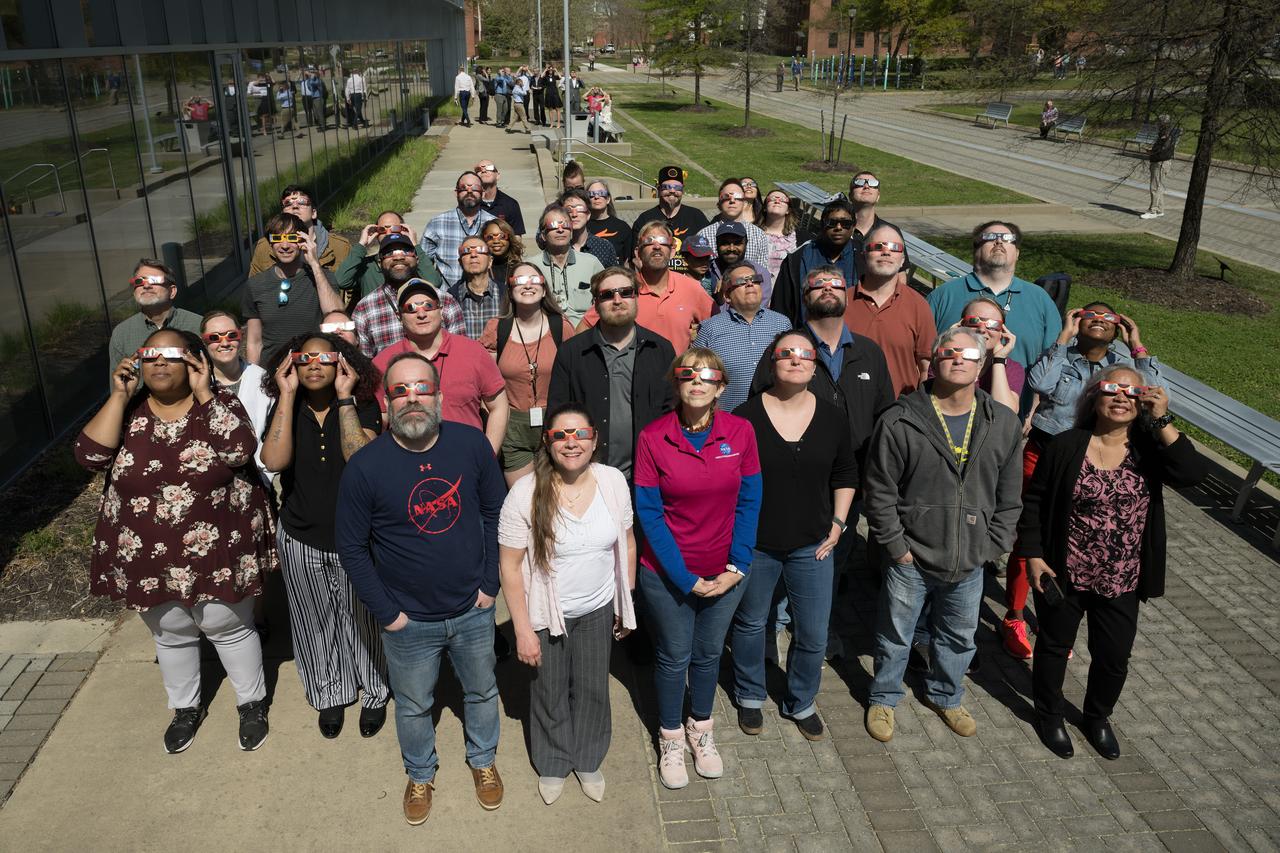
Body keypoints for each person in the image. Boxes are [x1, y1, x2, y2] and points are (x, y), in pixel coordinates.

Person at [76, 328, 276, 753]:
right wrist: (117, 395)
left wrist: (206, 393)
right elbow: (89, 456)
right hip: (146, 551)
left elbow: (240, 451)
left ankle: (251, 703)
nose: (160, 363)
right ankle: (185, 707)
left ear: (195, 363)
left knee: (227, 626)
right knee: (170, 632)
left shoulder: (218, 405)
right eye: (151, 355)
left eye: (172, 354)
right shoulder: (126, 412)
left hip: (218, 545)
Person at [335, 352, 508, 824]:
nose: (412, 398)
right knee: (413, 705)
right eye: (400, 391)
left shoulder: (471, 446)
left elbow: (497, 514)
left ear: (439, 395)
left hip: (473, 607)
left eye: (421, 388)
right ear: (386, 402)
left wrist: (490, 585)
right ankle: (419, 772)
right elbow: (351, 549)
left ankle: (483, 761)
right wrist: (388, 613)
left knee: (481, 690)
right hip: (408, 619)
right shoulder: (365, 467)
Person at [1019, 366, 1205, 760]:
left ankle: (1097, 717)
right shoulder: (1067, 445)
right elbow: (1034, 502)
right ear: (1095, 398)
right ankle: (1049, 715)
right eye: (1111, 389)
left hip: (1123, 577)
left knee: (1114, 657)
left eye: (1132, 393)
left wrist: (1163, 419)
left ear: (1143, 403)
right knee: (1053, 647)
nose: (1121, 397)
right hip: (1064, 570)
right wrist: (1033, 556)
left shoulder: (1149, 450)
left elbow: (1192, 474)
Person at [862, 328, 1023, 743]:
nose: (957, 358)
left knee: (958, 636)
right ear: (934, 361)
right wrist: (897, 548)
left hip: (970, 558)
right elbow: (879, 491)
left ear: (981, 365)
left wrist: (993, 545)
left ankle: (947, 696)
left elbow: (1010, 495)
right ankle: (884, 697)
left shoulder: (1001, 422)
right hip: (911, 556)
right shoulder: (900, 420)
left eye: (968, 353)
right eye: (948, 352)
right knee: (896, 634)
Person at [1002, 303, 1161, 659]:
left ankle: (1055, 616)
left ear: (1118, 327)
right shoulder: (1063, 356)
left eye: (1109, 319)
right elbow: (1039, 383)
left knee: (1075, 541)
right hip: (1046, 453)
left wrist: (1137, 347)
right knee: (1030, 537)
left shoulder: (1120, 368)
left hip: (1096, 458)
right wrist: (1062, 338)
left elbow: (1155, 396)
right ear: (1078, 320)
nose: (1099, 322)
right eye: (1092, 316)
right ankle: (1014, 614)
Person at [635, 348, 761, 789]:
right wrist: (686, 579)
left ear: (721, 386)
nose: (697, 381)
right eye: (687, 374)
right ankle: (670, 737)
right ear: (676, 383)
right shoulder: (653, 437)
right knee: (673, 657)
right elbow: (649, 514)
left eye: (707, 375)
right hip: (668, 575)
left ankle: (700, 730)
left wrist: (738, 566)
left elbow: (750, 501)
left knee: (708, 655)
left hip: (726, 571)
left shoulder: (741, 432)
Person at [498, 403, 636, 804]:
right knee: (549, 689)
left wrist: (624, 601)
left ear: (594, 439)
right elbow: (510, 566)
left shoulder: (612, 481)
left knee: (594, 687)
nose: (571, 442)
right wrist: (522, 629)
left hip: (596, 609)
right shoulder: (525, 493)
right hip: (545, 612)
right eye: (561, 435)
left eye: (580, 434)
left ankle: (589, 757)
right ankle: (554, 761)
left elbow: (625, 543)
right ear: (548, 441)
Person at [259, 332, 391, 739]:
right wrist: (284, 395)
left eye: (325, 357)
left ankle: (373, 692)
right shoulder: (286, 406)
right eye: (303, 358)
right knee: (314, 620)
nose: (314, 364)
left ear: (342, 363)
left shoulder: (363, 405)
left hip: (358, 536)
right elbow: (273, 460)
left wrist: (347, 397)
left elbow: (361, 457)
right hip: (301, 533)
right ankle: (329, 691)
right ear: (290, 364)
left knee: (364, 619)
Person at [731, 330, 856, 740]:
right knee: (751, 624)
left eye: (805, 353)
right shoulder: (745, 418)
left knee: (814, 630)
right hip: (758, 544)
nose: (796, 359)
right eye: (787, 353)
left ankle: (800, 699)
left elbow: (845, 475)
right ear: (772, 362)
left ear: (815, 365)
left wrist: (838, 524)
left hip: (814, 544)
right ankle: (750, 695)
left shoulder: (834, 415)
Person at [547, 267, 676, 482]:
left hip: (649, 475)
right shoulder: (571, 352)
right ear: (595, 304)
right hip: (587, 474)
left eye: (625, 292)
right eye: (607, 295)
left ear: (636, 297)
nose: (617, 300)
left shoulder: (661, 350)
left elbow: (672, 414)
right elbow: (556, 413)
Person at [372, 279, 509, 454]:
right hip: (407, 464)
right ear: (399, 316)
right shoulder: (383, 363)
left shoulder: (473, 352)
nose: (421, 314)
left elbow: (499, 406)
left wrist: (488, 455)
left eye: (428, 305)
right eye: (411, 308)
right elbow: (381, 420)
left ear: (441, 310)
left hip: (466, 458)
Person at [480, 261, 576, 485]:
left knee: (557, 495)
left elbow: (574, 377)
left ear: (544, 289)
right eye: (519, 281)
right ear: (510, 291)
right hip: (513, 425)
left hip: (554, 421)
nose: (527, 285)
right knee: (523, 499)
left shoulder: (561, 327)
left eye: (534, 280)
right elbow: (485, 382)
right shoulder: (497, 328)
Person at [926, 221, 1060, 380]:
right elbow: (923, 358)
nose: (999, 242)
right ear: (976, 250)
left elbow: (1053, 362)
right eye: (990, 237)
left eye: (1008, 238)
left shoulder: (1040, 299)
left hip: (1018, 403)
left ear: (1017, 253)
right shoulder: (943, 296)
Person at [578, 221, 714, 355]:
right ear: (638, 252)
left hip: (677, 374)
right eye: (649, 242)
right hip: (631, 374)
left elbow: (717, 326)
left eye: (663, 241)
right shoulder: (621, 290)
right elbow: (583, 330)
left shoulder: (691, 288)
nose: (656, 247)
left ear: (672, 251)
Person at [843, 224, 936, 396]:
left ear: (902, 260)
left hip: (901, 412)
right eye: (878, 247)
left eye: (895, 248)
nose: (886, 252)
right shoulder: (842, 303)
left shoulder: (918, 305)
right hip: (849, 408)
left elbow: (926, 368)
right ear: (864, 255)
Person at [242, 212, 345, 365]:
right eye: (277, 239)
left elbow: (336, 315)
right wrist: (252, 377)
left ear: (303, 240)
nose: (284, 246)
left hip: (313, 367)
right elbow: (254, 342)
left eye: (291, 238)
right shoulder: (255, 284)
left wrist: (315, 265)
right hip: (271, 372)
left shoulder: (322, 277)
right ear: (270, 243)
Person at [693, 262, 792, 412]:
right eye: (741, 281)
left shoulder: (782, 323)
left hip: (775, 417)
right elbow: (695, 374)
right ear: (727, 295)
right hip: (728, 420)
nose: (750, 284)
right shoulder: (710, 328)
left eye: (755, 279)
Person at [353, 233, 465, 357]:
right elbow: (365, 364)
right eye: (389, 253)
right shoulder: (364, 308)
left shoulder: (445, 301)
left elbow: (459, 354)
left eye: (405, 251)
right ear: (380, 263)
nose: (398, 257)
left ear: (417, 259)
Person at [200, 311, 271, 482]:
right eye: (214, 338)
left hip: (256, 478)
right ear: (204, 341)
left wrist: (266, 475)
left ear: (242, 337)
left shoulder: (262, 379)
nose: (224, 343)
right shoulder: (196, 384)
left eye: (232, 335)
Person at [107, 259, 203, 385]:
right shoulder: (122, 333)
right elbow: (117, 388)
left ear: (172, 291)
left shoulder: (198, 325)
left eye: (154, 280)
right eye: (139, 281)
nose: (146, 286)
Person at [771, 199, 860, 327]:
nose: (838, 227)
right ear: (822, 225)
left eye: (845, 223)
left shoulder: (864, 257)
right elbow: (781, 309)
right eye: (832, 223)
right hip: (806, 339)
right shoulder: (797, 258)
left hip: (853, 338)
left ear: (854, 226)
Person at [337, 212, 444, 303]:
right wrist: (361, 245)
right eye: (382, 230)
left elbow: (434, 283)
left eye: (395, 228)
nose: (388, 233)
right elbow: (341, 281)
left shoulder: (411, 262)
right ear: (376, 233)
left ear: (404, 230)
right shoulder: (367, 265)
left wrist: (415, 245)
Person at [249, 186, 352, 276]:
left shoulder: (340, 247)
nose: (294, 206)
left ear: (314, 213)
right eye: (288, 204)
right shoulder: (264, 246)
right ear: (282, 214)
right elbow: (254, 288)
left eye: (302, 202)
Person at [419, 171, 497, 286]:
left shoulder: (494, 224)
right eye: (464, 188)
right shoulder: (437, 224)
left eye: (475, 188)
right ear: (456, 193)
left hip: (486, 297)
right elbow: (423, 265)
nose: (469, 191)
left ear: (483, 193)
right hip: (447, 298)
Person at [536, 204, 604, 326]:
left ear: (571, 233)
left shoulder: (591, 263)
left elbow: (605, 300)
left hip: (585, 336)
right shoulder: (532, 267)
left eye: (566, 225)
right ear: (543, 235)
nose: (560, 230)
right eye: (554, 226)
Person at [952, 297, 1022, 414]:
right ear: (961, 326)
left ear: (1002, 331)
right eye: (974, 321)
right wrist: (952, 343)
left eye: (993, 324)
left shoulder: (1012, 368)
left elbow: (1006, 414)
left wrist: (999, 360)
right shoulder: (944, 359)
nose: (982, 329)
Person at [631, 166, 710, 263]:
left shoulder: (696, 217)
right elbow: (635, 257)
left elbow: (708, 252)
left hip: (689, 276)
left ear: (682, 190)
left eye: (677, 187)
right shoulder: (645, 219)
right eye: (666, 187)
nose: (672, 191)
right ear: (659, 189)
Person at [694, 180, 770, 274]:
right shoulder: (703, 235)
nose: (732, 200)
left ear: (744, 202)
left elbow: (762, 273)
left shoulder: (759, 235)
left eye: (737, 197)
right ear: (719, 202)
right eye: (726, 197)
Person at [450, 236, 505, 339]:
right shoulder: (451, 298)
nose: (473, 255)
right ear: (460, 263)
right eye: (466, 251)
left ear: (490, 261)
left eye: (480, 250)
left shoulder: (506, 295)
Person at [705, 221, 773, 304]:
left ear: (746, 244)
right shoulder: (705, 270)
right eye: (725, 243)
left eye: (737, 243)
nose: (731, 248)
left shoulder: (760, 273)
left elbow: (758, 311)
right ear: (716, 244)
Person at [560, 188, 619, 268]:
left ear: (588, 214)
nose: (574, 214)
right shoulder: (558, 246)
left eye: (579, 209)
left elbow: (613, 277)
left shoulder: (604, 247)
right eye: (569, 210)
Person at [1141, 115, 1178, 220]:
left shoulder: (1166, 133)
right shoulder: (1165, 132)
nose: (1157, 125)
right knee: (1159, 187)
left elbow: (1163, 149)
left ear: (1163, 123)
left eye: (1159, 123)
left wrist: (1152, 152)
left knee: (1155, 187)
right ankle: (1160, 210)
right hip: (1160, 161)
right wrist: (1152, 151)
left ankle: (1153, 210)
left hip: (1160, 163)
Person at [586, 180, 633, 263]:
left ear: (608, 199)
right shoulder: (582, 227)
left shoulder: (622, 227)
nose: (596, 197)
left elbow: (628, 260)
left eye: (601, 193)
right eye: (591, 194)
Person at [475, 159, 527, 235]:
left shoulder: (511, 204)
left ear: (498, 175)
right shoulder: (468, 204)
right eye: (479, 170)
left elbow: (516, 237)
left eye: (489, 168)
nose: (484, 171)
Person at [848, 172, 891, 255]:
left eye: (872, 184)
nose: (866, 186)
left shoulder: (891, 233)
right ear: (850, 196)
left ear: (878, 196)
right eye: (860, 183)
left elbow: (902, 266)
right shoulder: (838, 229)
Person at [760, 189, 797, 282]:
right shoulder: (753, 233)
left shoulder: (800, 237)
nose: (777, 201)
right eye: (772, 199)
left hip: (786, 290)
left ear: (788, 210)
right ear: (764, 207)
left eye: (783, 199)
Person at [483, 218, 524, 286]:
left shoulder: (518, 268)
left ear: (510, 239)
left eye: (502, 236)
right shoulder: (480, 268)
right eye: (490, 237)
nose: (496, 241)